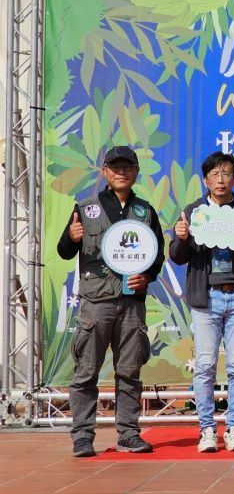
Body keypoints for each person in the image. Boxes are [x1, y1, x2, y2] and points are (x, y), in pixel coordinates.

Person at [58, 146, 165, 457]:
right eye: (115, 167)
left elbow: (157, 255)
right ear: (104, 172)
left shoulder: (145, 211)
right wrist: (72, 238)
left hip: (133, 303)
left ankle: (128, 433)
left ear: (135, 173)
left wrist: (148, 276)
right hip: (96, 302)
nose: (122, 172)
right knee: (86, 371)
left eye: (127, 167)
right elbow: (64, 251)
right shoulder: (86, 208)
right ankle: (82, 437)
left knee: (130, 371)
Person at [170, 152, 234, 453]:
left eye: (227, 173)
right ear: (206, 180)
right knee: (205, 366)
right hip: (206, 298)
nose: (221, 179)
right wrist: (182, 237)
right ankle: (207, 431)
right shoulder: (194, 211)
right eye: (215, 173)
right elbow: (177, 256)